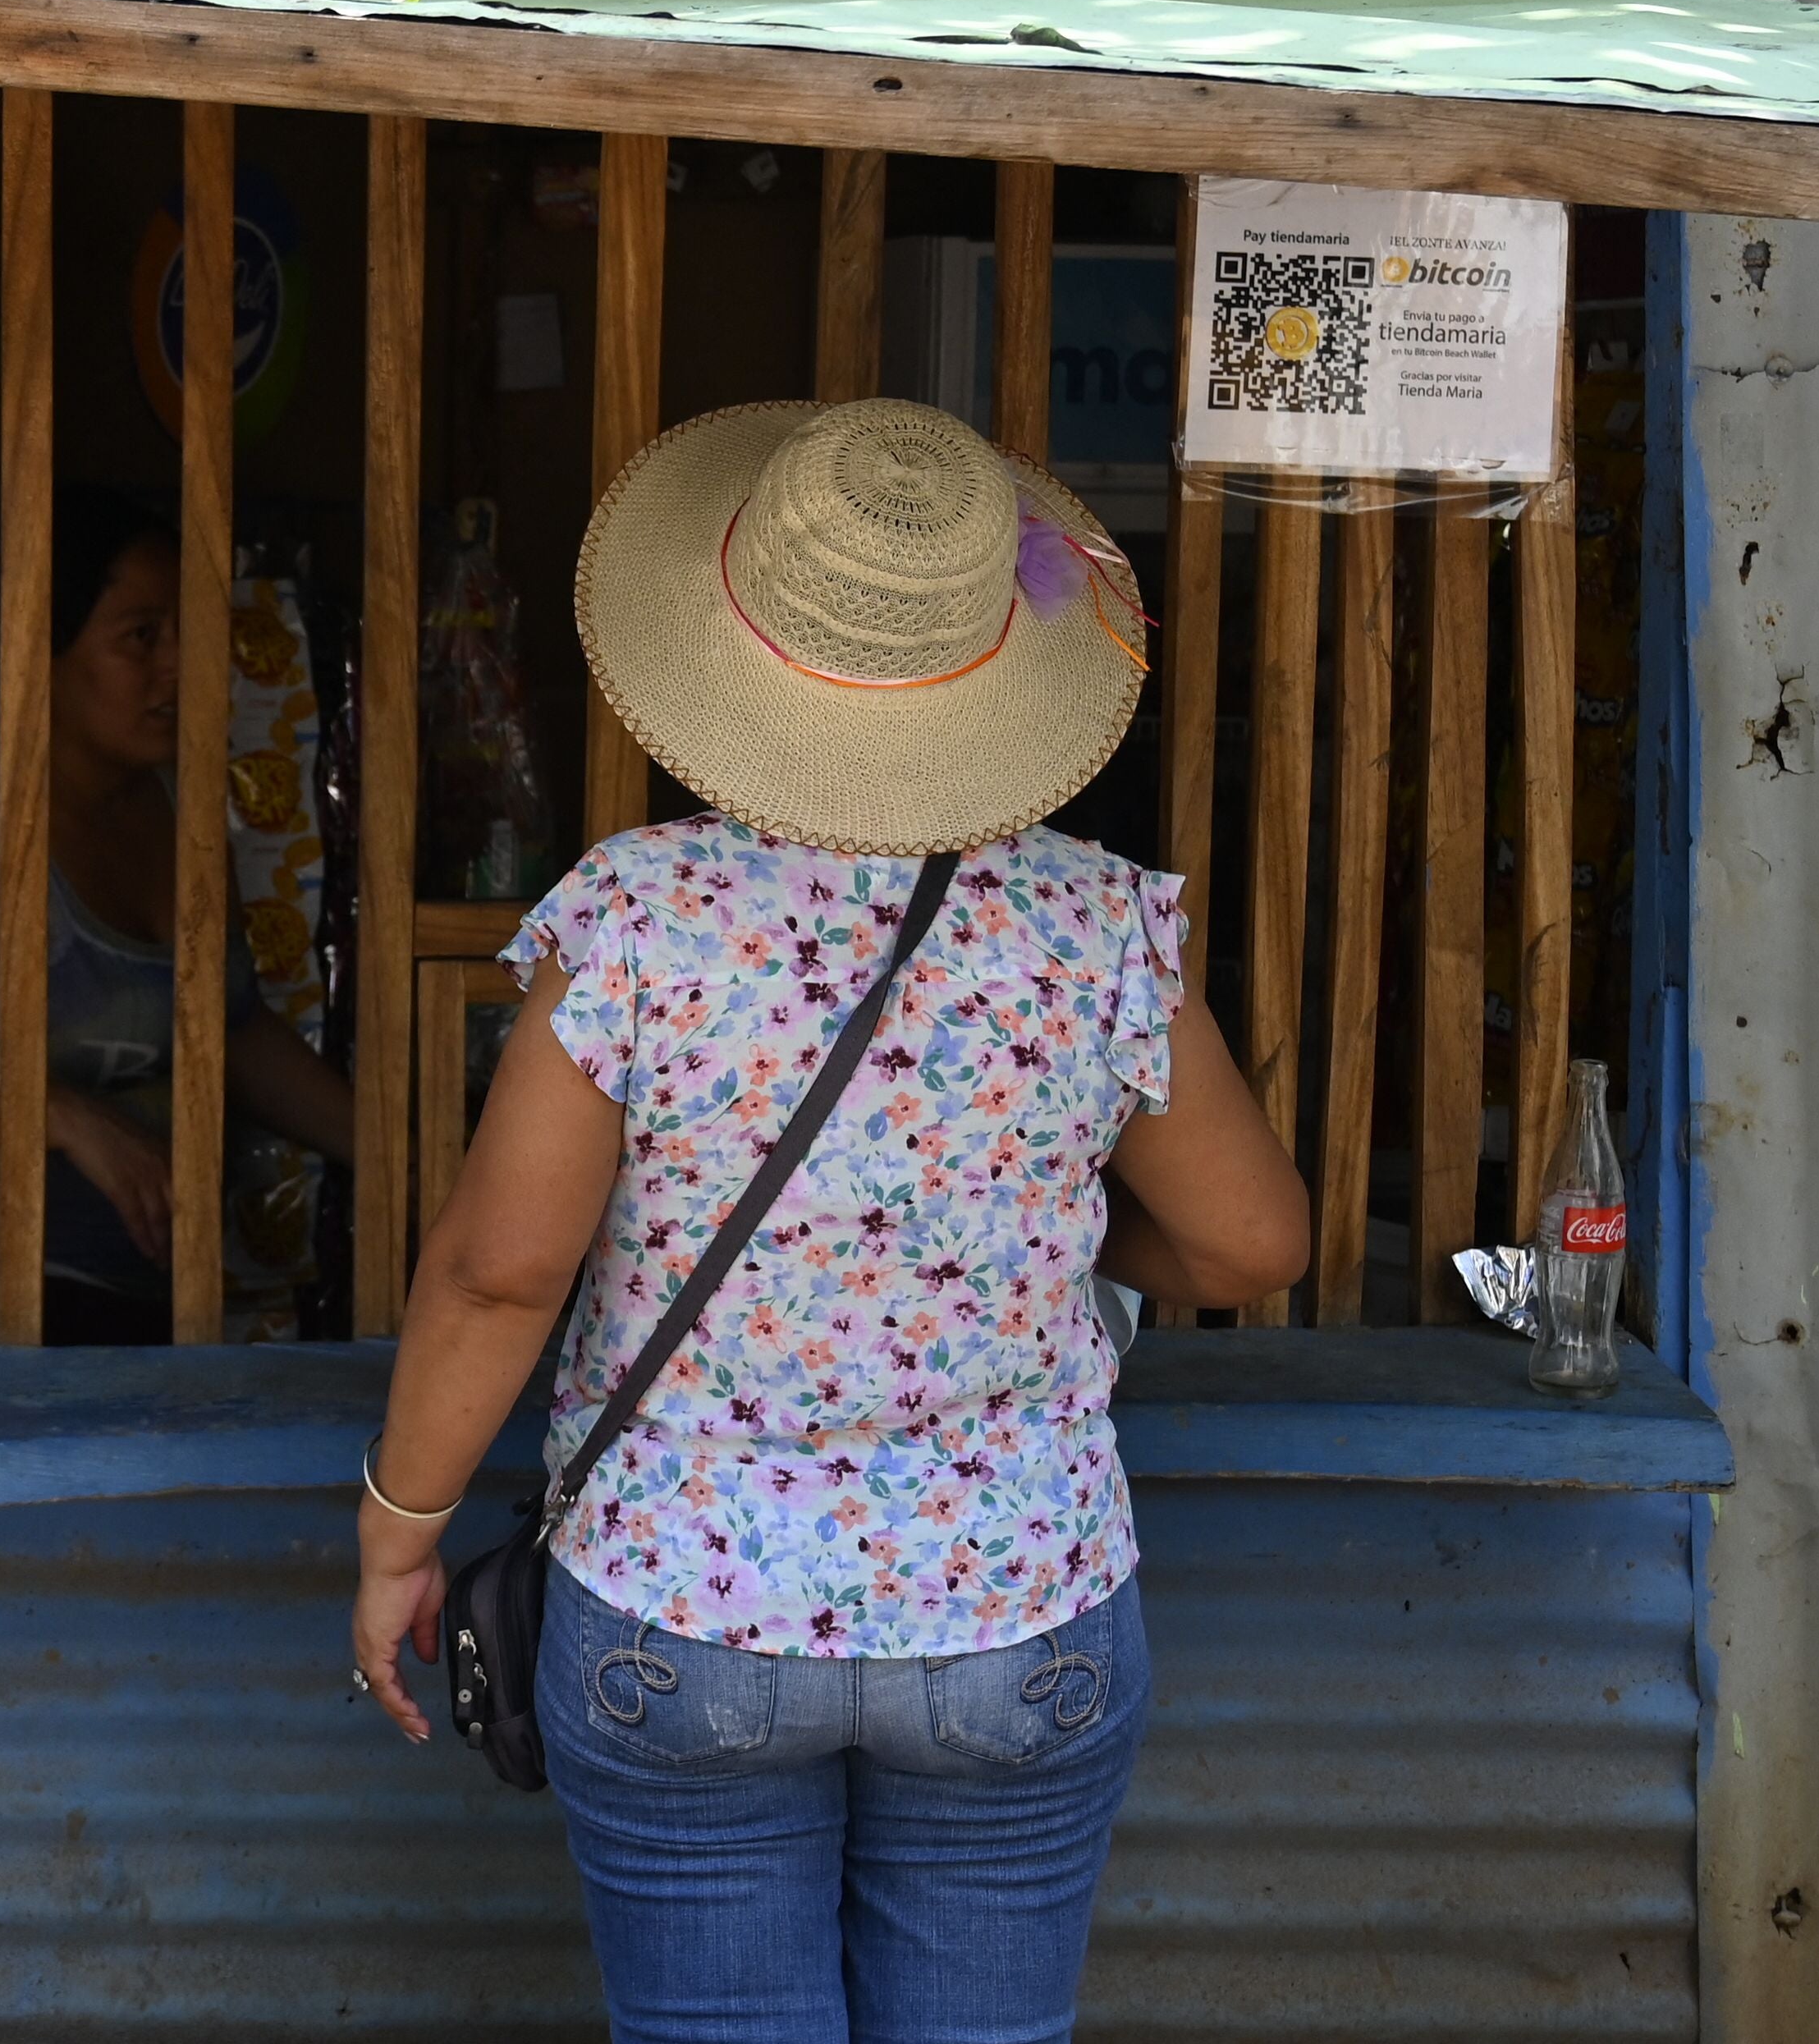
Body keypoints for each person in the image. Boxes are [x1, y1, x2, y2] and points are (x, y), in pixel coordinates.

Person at [349, 400, 1310, 2043]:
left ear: (729, 653)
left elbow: (500, 1272)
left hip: (680, 1609)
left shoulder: (639, 917)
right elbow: (1246, 1246)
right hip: (1020, 1614)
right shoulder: (1096, 926)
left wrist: (395, 1535)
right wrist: (1049, 1236)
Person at [0, 493, 355, 1344]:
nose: (179, 663)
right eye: (140, 636)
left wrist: (402, 1165)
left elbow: (228, 1028)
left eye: (188, 628)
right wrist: (58, 1114)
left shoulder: (180, 812)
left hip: (151, 1312)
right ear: (37, 649)